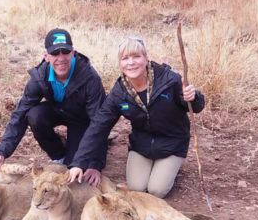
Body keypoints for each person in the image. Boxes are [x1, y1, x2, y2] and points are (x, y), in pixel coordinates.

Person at [68, 37, 205, 198]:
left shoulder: (169, 79)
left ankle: (172, 167)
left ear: (146, 59)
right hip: (142, 145)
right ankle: (157, 167)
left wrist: (193, 97)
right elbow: (98, 126)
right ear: (120, 63)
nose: (131, 63)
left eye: (136, 57)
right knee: (136, 187)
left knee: (156, 190)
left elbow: (196, 107)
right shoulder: (119, 92)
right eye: (125, 58)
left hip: (172, 143)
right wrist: (79, 163)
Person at [0, 28, 107, 173]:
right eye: (55, 53)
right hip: (58, 110)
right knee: (34, 115)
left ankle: (75, 151)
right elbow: (19, 114)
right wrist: (1, 152)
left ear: (73, 53)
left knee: (75, 166)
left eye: (65, 52)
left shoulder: (90, 77)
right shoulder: (39, 77)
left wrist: (95, 165)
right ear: (46, 56)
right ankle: (59, 154)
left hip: (81, 119)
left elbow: (99, 122)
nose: (61, 58)